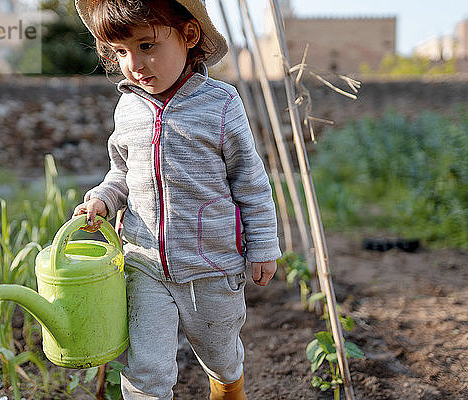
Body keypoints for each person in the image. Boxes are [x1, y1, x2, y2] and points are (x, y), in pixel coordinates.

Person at [73, 1, 281, 398]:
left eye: (147, 46)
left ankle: (228, 385)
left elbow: (250, 182)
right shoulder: (128, 107)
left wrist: (263, 247)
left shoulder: (221, 104)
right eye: (121, 52)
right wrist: (103, 198)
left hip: (213, 265)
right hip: (144, 261)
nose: (134, 63)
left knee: (220, 357)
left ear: (188, 35)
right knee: (147, 369)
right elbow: (121, 173)